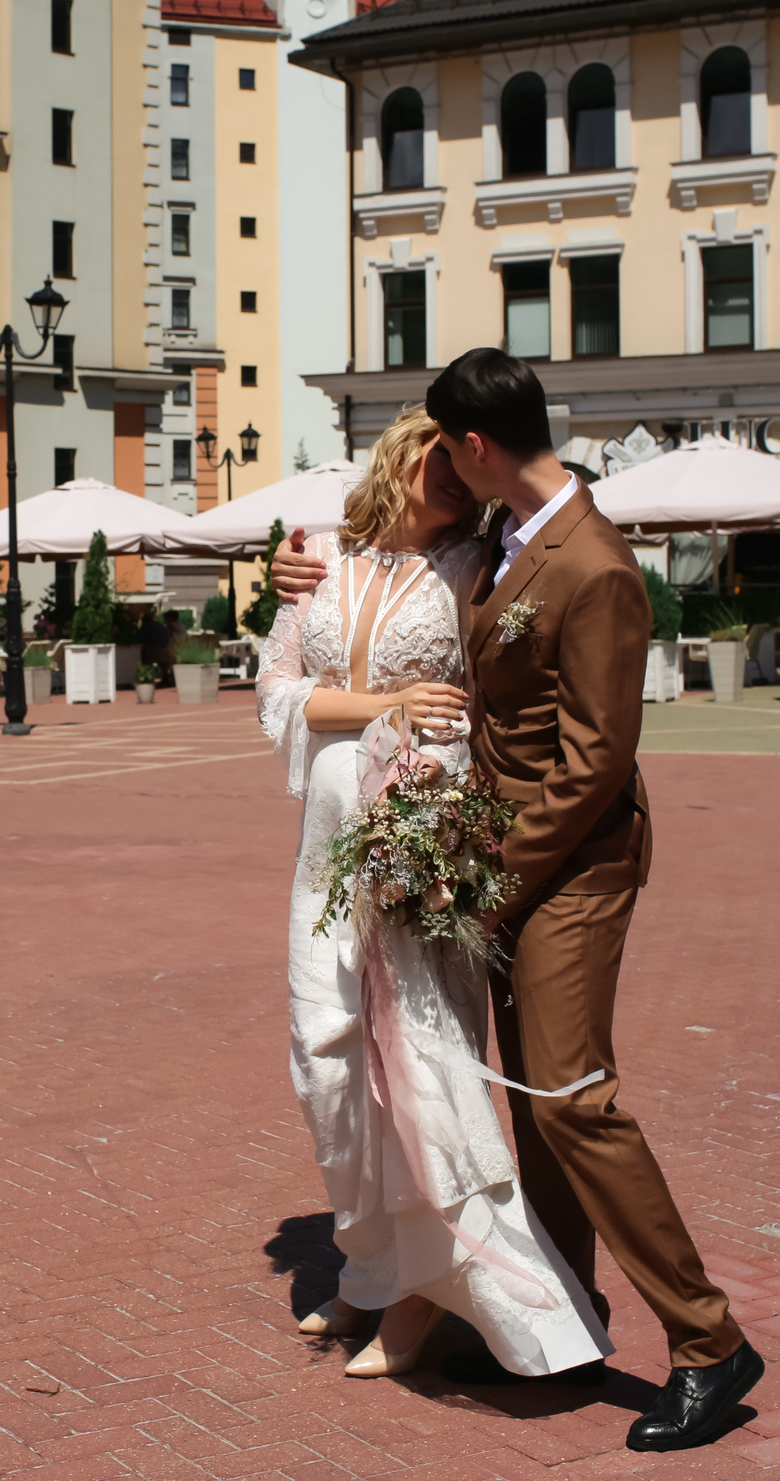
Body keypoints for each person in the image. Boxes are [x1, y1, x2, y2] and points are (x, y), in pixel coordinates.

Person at [273, 354, 762, 1452]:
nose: (436, 463)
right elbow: (397, 581)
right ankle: (563, 1315)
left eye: (445, 445)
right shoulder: (506, 536)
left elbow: (594, 762)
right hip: (496, 859)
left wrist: (486, 880)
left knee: (570, 1098)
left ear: (477, 447)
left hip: (569, 865)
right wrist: (291, 575)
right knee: (525, 1099)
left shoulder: (592, 566)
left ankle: (707, 1342)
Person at [257, 408, 611, 1382]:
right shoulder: (318, 555)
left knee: (418, 1061)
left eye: (466, 461)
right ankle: (374, 1269)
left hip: (423, 838)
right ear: (401, 459)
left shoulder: (475, 565)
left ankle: (427, 1298)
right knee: (326, 1059)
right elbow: (279, 696)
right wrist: (382, 702)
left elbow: (546, 575)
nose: (456, 474)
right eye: (438, 459)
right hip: (327, 849)